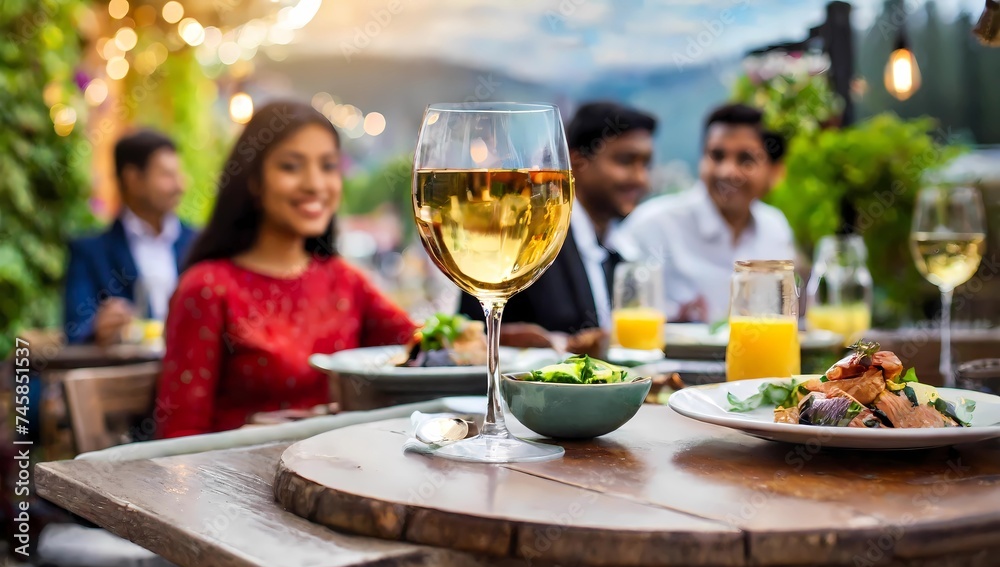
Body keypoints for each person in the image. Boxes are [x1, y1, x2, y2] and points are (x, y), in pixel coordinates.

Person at [155, 101, 416, 438]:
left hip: (335, 474)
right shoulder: (207, 288)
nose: (315, 184)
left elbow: (426, 349)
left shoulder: (343, 281)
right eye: (291, 166)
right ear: (254, 181)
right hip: (231, 483)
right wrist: (245, 431)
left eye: (328, 166)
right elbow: (177, 435)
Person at [458, 101, 656, 350]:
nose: (641, 178)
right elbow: (469, 332)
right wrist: (554, 344)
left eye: (646, 164)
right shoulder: (522, 238)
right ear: (576, 162)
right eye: (625, 161)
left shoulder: (619, 251)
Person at [619, 103, 795, 324]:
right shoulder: (651, 226)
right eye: (717, 156)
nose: (727, 171)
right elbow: (620, 322)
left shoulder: (774, 228)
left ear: (775, 172)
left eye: (746, 159)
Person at [63, 130, 196, 345]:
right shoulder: (90, 253)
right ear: (133, 179)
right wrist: (98, 329)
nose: (180, 186)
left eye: (178, 175)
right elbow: (75, 329)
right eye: (167, 176)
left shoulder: (198, 243)